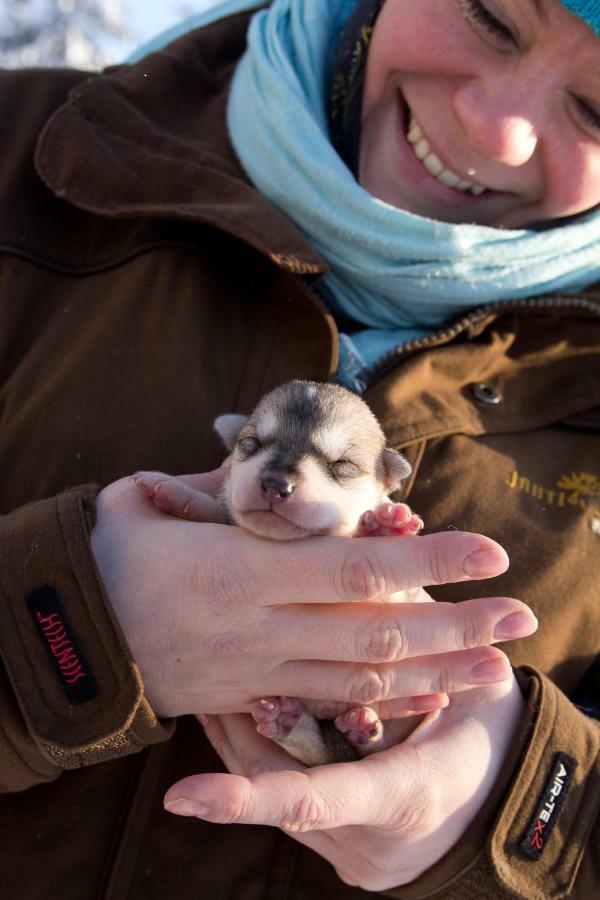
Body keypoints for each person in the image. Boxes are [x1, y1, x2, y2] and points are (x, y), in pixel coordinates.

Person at [0, 0, 598, 896]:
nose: (494, 125)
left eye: (596, 109)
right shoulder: (21, 153)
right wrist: (63, 629)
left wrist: (520, 813)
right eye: (490, 16)